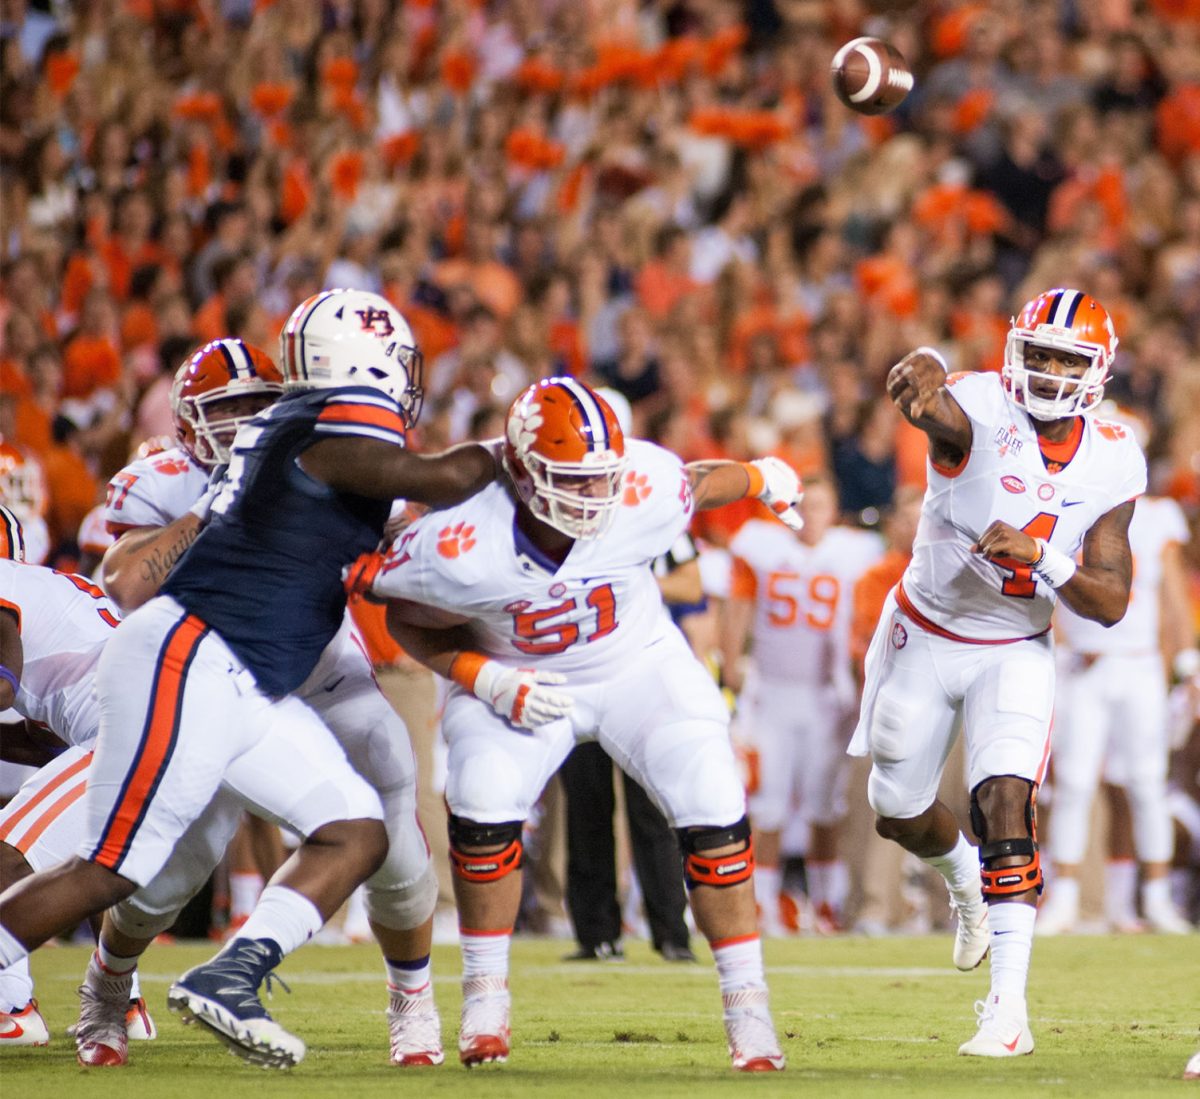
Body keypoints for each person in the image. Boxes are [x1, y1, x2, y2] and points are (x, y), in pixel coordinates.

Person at [0, 290, 499, 1069]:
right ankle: (102, 981)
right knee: (118, 866)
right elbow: (435, 477)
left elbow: (407, 530)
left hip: (263, 668)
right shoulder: (316, 429)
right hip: (197, 655)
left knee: (363, 824)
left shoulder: (305, 429)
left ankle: (240, 974)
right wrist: (510, 455)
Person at [348, 377, 803, 1071]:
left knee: (715, 798)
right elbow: (400, 610)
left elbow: (696, 481)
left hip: (637, 665)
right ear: (525, 472)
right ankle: (484, 996)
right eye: (574, 481)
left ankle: (749, 1008)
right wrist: (480, 674)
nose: (595, 497)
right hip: (518, 675)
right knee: (481, 794)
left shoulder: (640, 490)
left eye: (602, 479)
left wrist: (763, 476)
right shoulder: (459, 540)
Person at [849, 288, 1147, 1057]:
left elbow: (1111, 601)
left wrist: (1044, 556)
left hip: (1015, 645)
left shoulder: (1116, 454)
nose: (1048, 371)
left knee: (1007, 799)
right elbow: (939, 411)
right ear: (1015, 351)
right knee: (897, 808)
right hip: (925, 631)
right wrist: (924, 373)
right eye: (1038, 353)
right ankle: (962, 881)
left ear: (1098, 370)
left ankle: (1008, 1011)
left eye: (1066, 359)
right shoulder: (982, 404)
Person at [722, 476, 883, 935]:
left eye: (821, 506)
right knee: (768, 802)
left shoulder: (855, 552)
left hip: (825, 697)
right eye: (804, 506)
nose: (811, 516)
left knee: (824, 803)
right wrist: (732, 662)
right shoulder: (762, 547)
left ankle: (826, 902)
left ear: (834, 512)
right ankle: (764, 904)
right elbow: (738, 604)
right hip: (771, 692)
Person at [1039, 483, 1195, 935]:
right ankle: (1064, 899)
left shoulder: (1156, 517)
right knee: (1074, 784)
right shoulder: (1067, 506)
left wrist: (1186, 667)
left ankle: (1155, 899)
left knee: (1147, 785)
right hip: (1083, 667)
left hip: (1139, 664)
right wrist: (1065, 647)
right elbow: (1041, 590)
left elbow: (1171, 597)